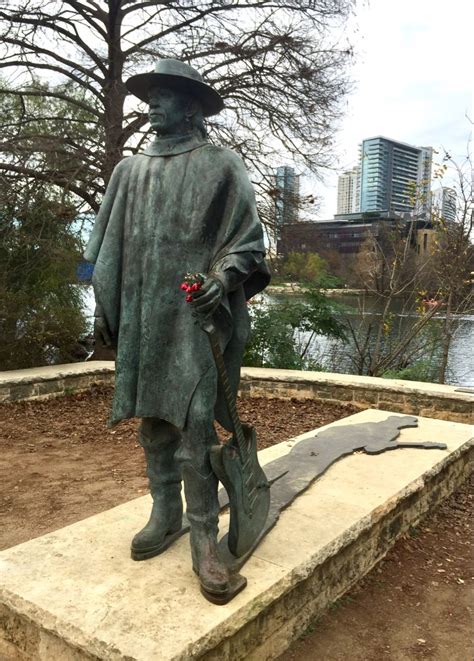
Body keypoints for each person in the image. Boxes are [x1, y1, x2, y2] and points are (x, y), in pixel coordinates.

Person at [84, 59, 269, 602]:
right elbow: (100, 251)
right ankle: (165, 513)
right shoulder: (129, 173)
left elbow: (249, 243)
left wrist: (221, 278)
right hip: (144, 315)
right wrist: (102, 302)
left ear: (192, 105)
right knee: (153, 422)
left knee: (193, 428)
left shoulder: (222, 166)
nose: (152, 105)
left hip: (195, 318)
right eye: (150, 96)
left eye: (163, 96)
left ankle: (205, 540)